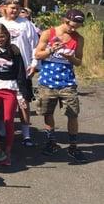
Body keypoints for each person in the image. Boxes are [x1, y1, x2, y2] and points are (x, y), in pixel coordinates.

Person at [34, 9, 87, 163]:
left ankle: (73, 146)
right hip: (47, 82)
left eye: (77, 26)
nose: (73, 29)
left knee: (72, 114)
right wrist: (51, 49)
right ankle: (51, 143)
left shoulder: (78, 39)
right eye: (71, 25)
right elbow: (37, 54)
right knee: (47, 113)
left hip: (67, 83)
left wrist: (71, 58)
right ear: (64, 20)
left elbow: (79, 62)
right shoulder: (48, 33)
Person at [0, 0, 39, 146]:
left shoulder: (27, 24)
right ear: (4, 8)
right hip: (2, 70)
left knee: (23, 103)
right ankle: (2, 130)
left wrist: (34, 63)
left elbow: (35, 46)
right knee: (2, 102)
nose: (14, 10)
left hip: (22, 69)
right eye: (12, 7)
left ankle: (26, 135)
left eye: (17, 8)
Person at [0, 24, 30, 166]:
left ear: (7, 36)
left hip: (10, 89)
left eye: (2, 36)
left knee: (8, 120)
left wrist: (22, 94)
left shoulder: (14, 51)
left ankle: (7, 152)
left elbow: (21, 73)